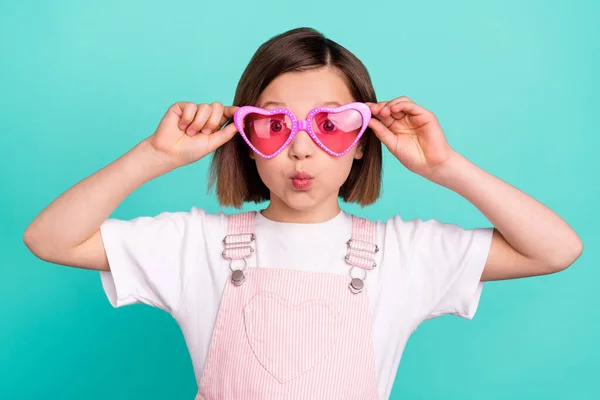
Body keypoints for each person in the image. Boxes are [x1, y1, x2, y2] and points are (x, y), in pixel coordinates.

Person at [23, 27, 583, 400]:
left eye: (330, 125)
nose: (301, 149)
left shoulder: (402, 255)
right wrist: (154, 155)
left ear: (364, 139)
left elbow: (556, 249)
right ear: (244, 139)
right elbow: (49, 239)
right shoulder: (195, 245)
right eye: (273, 124)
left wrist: (445, 165)